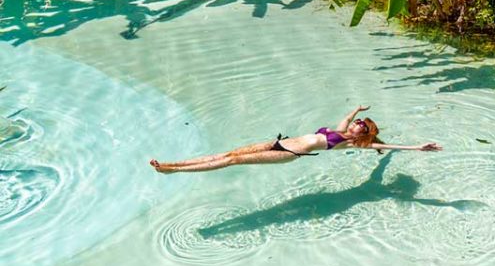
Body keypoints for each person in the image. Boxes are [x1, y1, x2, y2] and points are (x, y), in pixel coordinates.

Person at [149, 105, 442, 174]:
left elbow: (384, 145)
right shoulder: (339, 129)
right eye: (358, 122)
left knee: (234, 161)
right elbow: (347, 114)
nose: (356, 124)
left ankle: (173, 171)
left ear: (363, 135)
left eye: (361, 125)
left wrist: (418, 147)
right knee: (227, 153)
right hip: (278, 141)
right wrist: (358, 109)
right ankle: (173, 163)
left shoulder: (348, 143)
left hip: (288, 153)